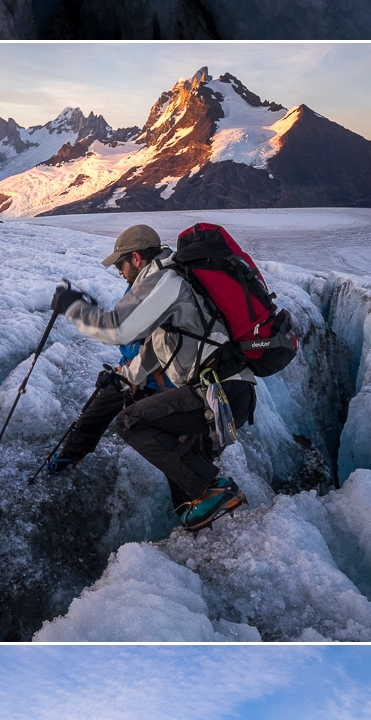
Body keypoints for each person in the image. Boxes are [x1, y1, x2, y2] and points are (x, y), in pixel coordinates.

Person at [50, 224, 254, 531]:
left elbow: (119, 329)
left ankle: (214, 489)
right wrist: (125, 378)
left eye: (120, 264)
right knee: (188, 498)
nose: (119, 271)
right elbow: (155, 349)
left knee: (131, 422)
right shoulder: (173, 281)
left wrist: (74, 308)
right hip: (221, 392)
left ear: (136, 258)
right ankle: (202, 505)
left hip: (218, 391)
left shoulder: (166, 279)